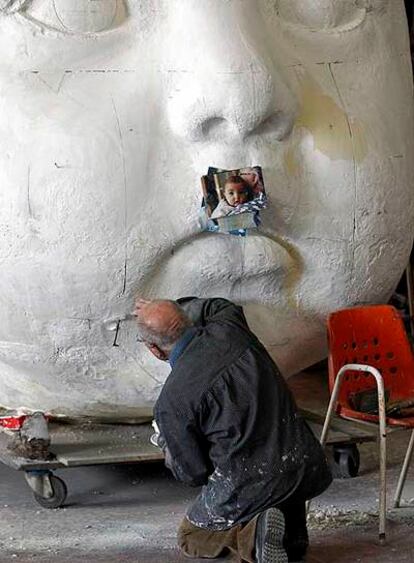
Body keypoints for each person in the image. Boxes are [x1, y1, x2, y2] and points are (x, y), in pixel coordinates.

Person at [134, 296, 332, 563]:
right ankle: (290, 538)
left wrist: (170, 445)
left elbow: (193, 473)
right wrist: (175, 305)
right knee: (286, 528)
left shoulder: (173, 402)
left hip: (252, 482)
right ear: (187, 318)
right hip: (304, 464)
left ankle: (251, 540)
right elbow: (217, 305)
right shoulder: (230, 327)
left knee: (190, 536)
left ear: (154, 350)